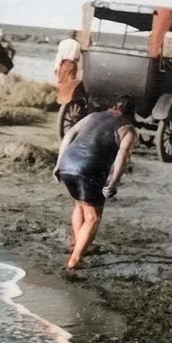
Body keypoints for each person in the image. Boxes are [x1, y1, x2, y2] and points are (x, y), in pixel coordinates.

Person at [54, 96, 138, 271]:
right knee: (93, 217)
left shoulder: (92, 116)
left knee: (79, 205)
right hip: (89, 170)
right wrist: (114, 183)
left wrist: (58, 164)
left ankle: (77, 245)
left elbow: (68, 135)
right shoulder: (128, 130)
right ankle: (74, 260)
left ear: (113, 106)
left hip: (67, 164)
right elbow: (122, 157)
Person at [54, 30, 82, 105]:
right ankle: (67, 98)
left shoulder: (63, 43)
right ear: (75, 35)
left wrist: (56, 68)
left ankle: (61, 99)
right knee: (70, 82)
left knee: (62, 81)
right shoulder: (78, 44)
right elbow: (78, 58)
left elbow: (59, 56)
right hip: (73, 64)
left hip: (64, 64)